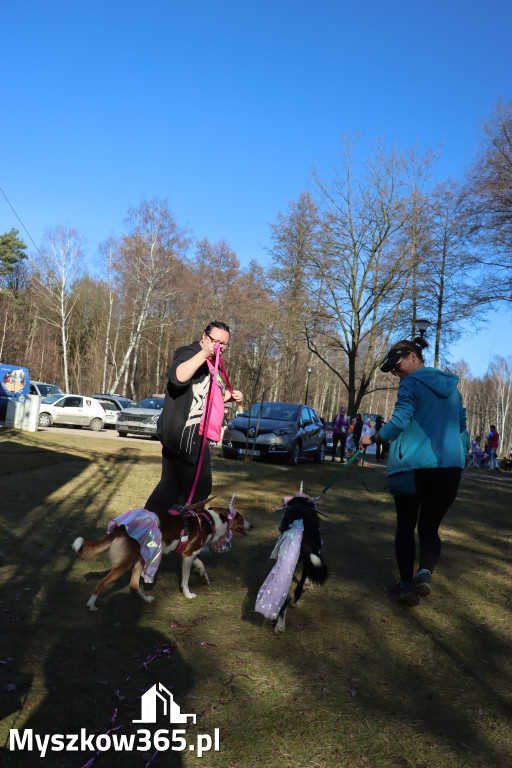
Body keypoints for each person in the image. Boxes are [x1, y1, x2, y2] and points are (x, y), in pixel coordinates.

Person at [360, 336, 466, 607]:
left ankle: (407, 583)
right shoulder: (453, 389)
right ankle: (424, 574)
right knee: (430, 527)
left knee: (406, 525)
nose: (395, 373)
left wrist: (373, 438)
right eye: (392, 370)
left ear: (413, 357)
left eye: (396, 366)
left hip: (415, 467)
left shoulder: (411, 383)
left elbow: (400, 420)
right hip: (449, 469)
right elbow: (461, 426)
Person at [145, 322, 244, 513]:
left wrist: (229, 396)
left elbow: (204, 395)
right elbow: (177, 377)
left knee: (171, 485)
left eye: (224, 344)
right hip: (188, 434)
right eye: (216, 341)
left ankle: (145, 524)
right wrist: (204, 353)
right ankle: (189, 529)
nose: (219, 347)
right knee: (199, 491)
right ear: (204, 336)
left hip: (187, 434)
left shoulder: (213, 363)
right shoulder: (190, 352)